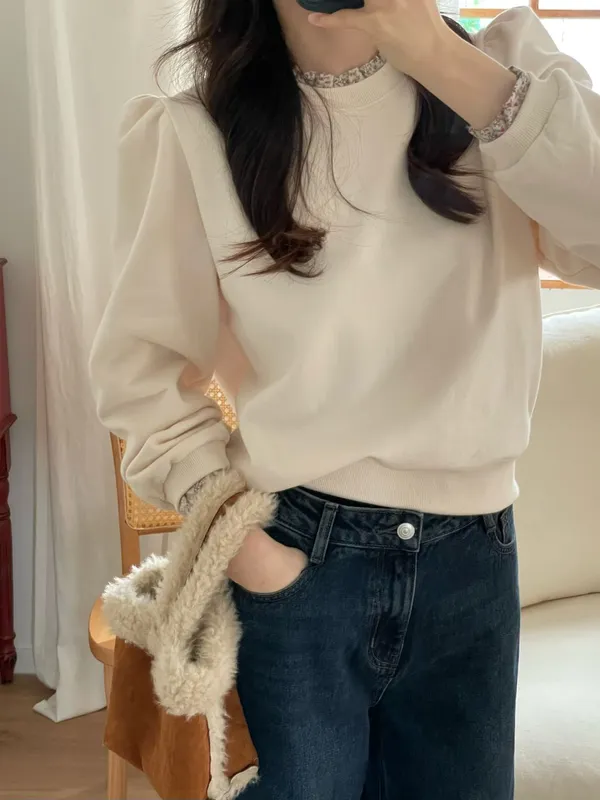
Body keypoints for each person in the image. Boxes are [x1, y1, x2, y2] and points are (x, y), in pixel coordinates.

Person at [90, 0, 600, 797]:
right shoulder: (196, 132)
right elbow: (139, 372)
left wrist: (435, 52)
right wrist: (253, 557)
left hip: (474, 562)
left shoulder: (505, 78)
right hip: (297, 556)